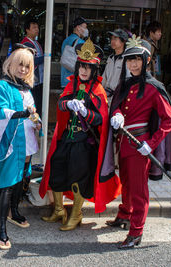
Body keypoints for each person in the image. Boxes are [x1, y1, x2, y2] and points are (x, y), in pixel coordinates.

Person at [40, 39, 121, 231]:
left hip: (85, 142)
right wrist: (67, 104)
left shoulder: (98, 90)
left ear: (94, 70)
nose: (84, 71)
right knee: (56, 171)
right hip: (67, 137)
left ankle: (76, 214)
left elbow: (101, 119)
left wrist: (87, 113)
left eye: (88, 67)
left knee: (78, 178)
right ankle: (59, 210)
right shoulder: (72, 85)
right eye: (81, 67)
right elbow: (60, 103)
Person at [102, 35, 171, 248]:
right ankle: (125, 215)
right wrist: (116, 113)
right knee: (126, 183)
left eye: (137, 59)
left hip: (139, 145)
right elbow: (116, 104)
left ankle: (136, 232)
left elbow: (168, 120)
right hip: (123, 143)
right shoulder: (125, 83)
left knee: (139, 189)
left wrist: (151, 143)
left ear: (147, 61)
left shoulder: (153, 87)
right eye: (130, 60)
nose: (133, 63)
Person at [0, 44, 41, 249]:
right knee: (7, 182)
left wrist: (36, 120)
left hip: (26, 138)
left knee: (21, 177)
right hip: (10, 141)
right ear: (10, 64)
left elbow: (33, 111)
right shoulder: (2, 86)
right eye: (20, 64)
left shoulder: (26, 88)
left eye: (27, 66)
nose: (23, 69)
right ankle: (0, 230)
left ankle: (14, 212)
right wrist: (22, 114)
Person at [21, 18, 44, 117]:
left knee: (37, 104)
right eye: (34, 27)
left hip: (37, 80)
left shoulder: (35, 42)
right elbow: (32, 61)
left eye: (37, 27)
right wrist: (46, 57)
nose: (37, 29)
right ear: (27, 30)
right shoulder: (27, 43)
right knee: (33, 104)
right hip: (31, 80)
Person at [60, 17, 88, 89]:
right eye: (85, 27)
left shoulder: (66, 40)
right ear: (78, 27)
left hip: (64, 80)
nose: (86, 30)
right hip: (76, 82)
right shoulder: (81, 42)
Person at [101, 29, 128, 98]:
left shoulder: (127, 59)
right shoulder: (110, 58)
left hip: (119, 97)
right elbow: (104, 78)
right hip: (107, 95)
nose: (112, 41)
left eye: (115, 39)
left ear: (123, 41)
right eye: (112, 39)